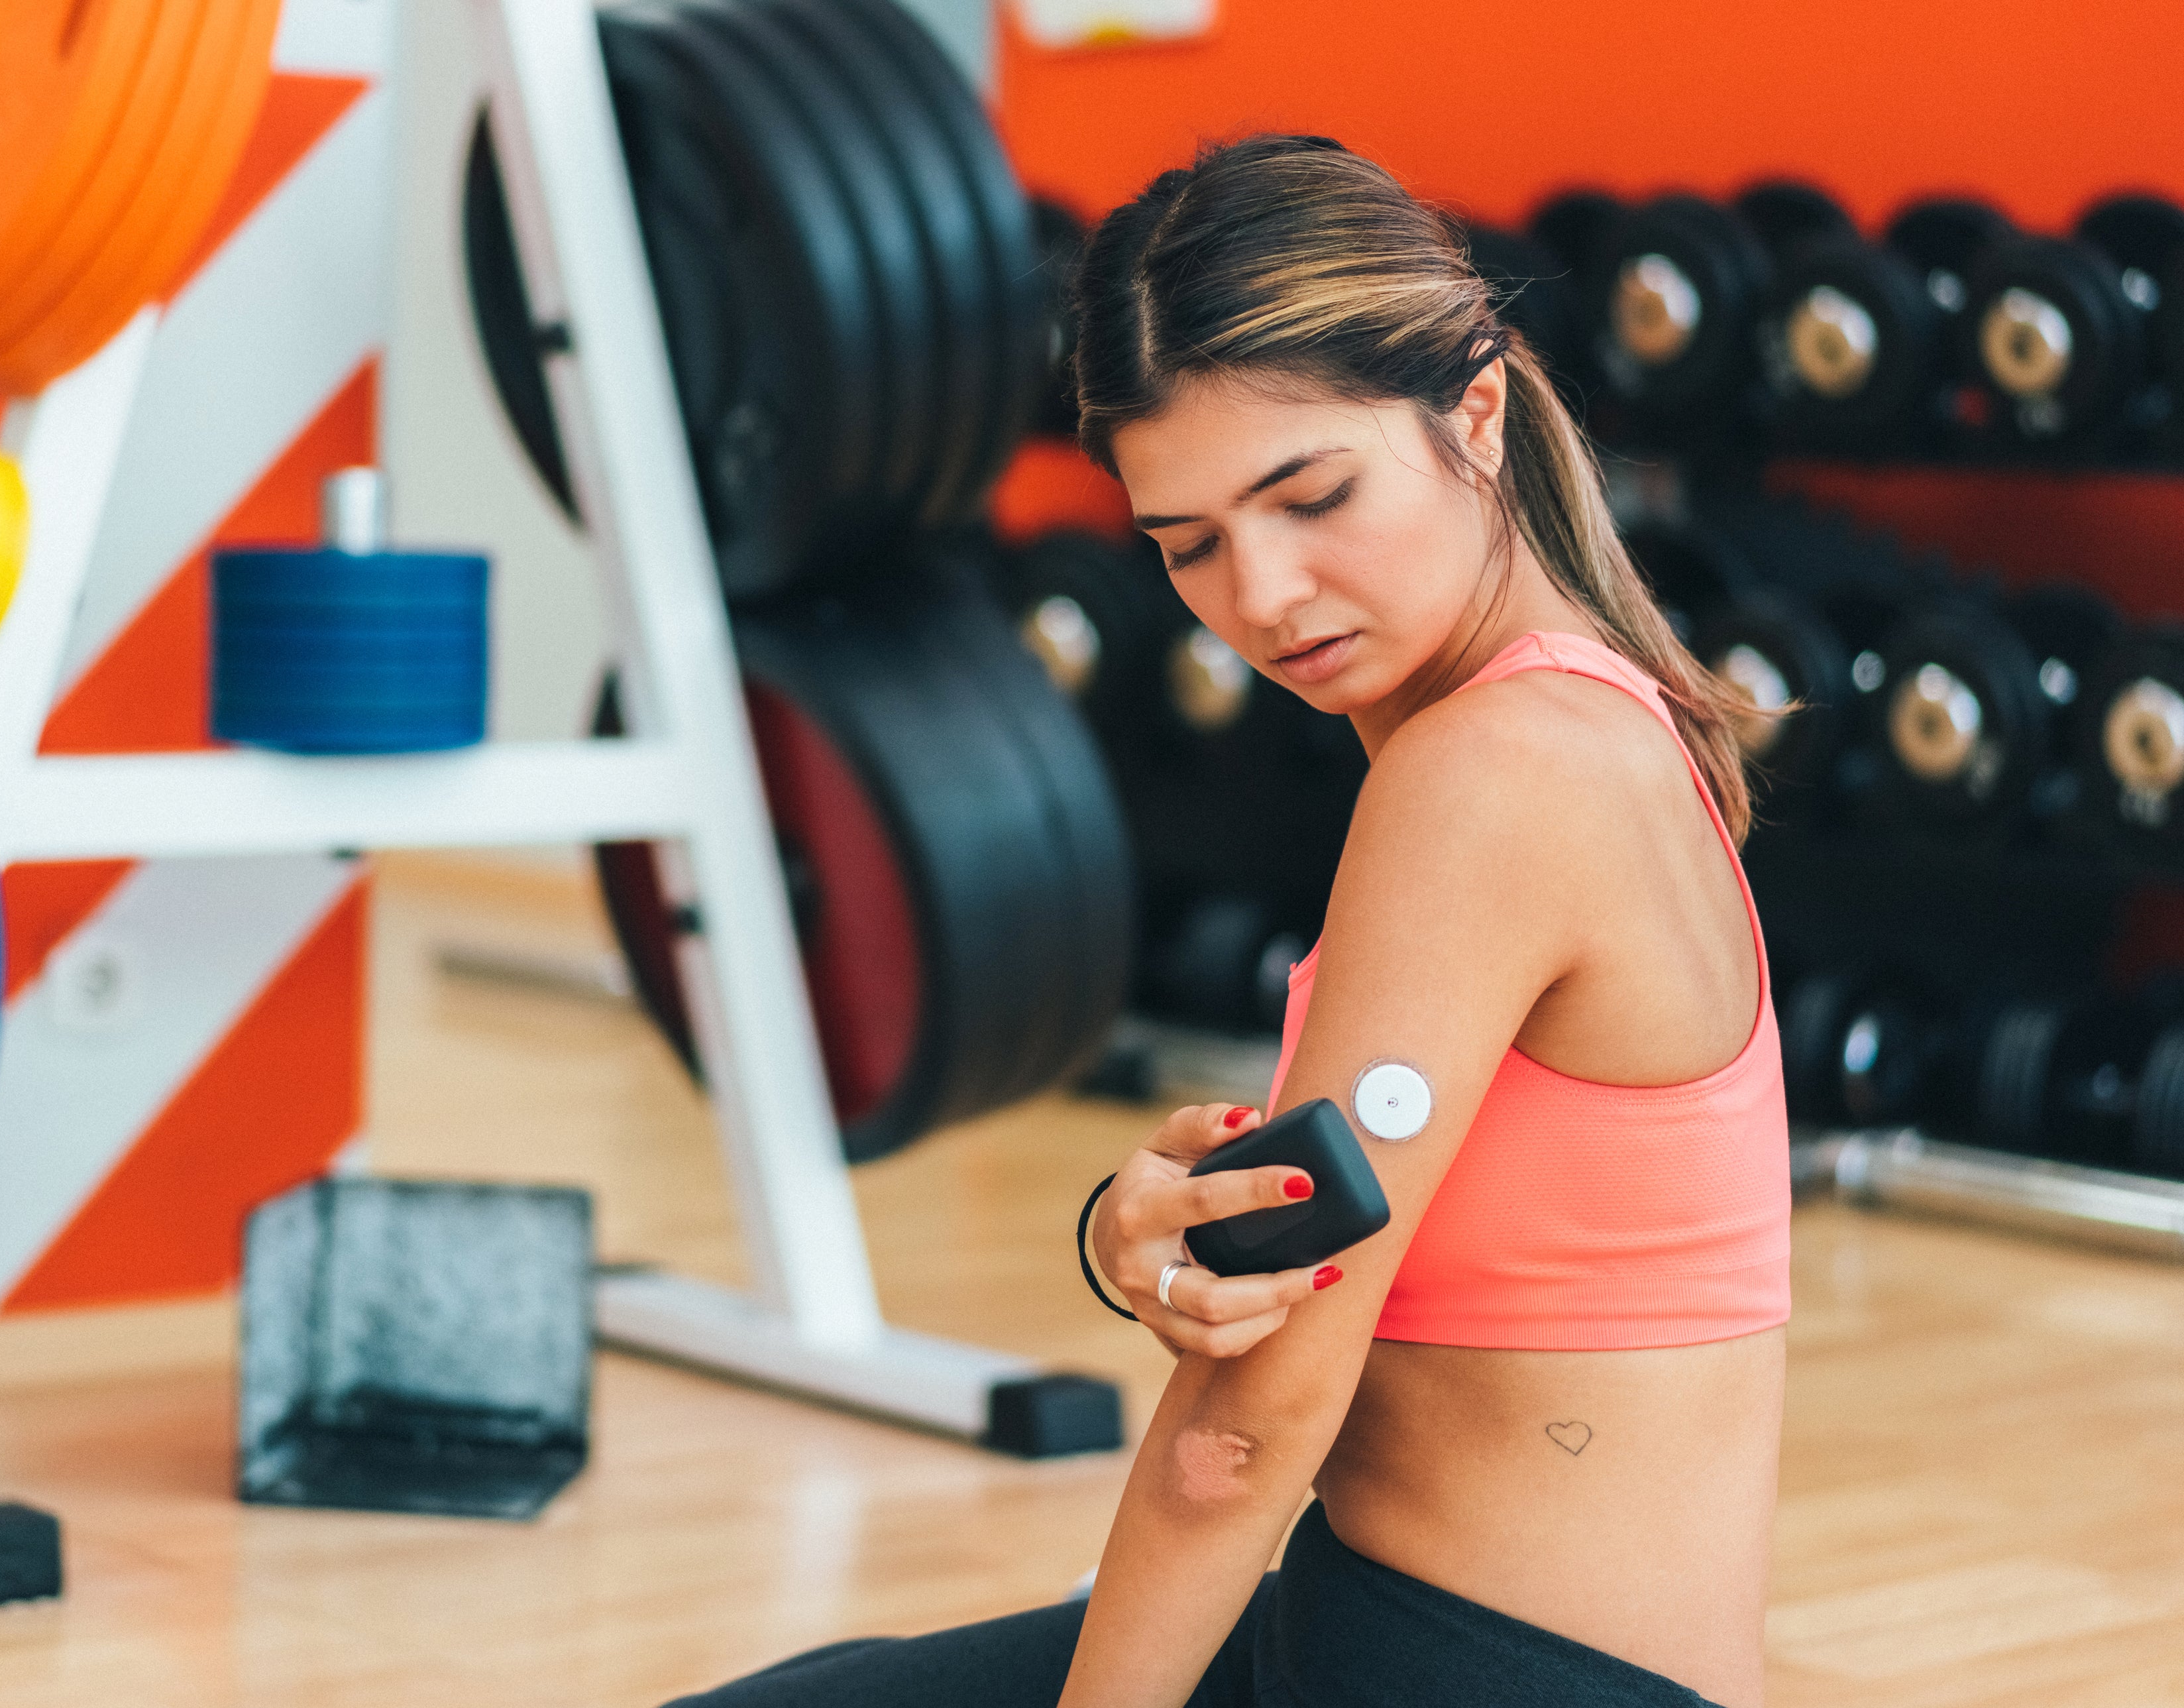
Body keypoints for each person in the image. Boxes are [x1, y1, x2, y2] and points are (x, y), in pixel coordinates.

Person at [667, 135, 1788, 1708]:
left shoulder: (1495, 770)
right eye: (1186, 545)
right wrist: (1148, 1239)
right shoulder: (1583, 722)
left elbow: (1248, 1430)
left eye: (1310, 495)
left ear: (1474, 413)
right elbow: (1398, 1259)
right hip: (1377, 1623)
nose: (1260, 593)